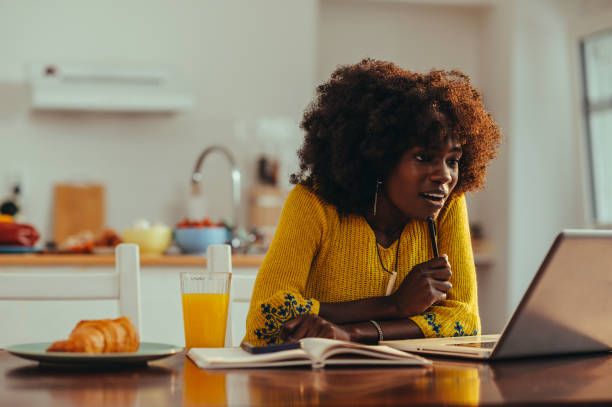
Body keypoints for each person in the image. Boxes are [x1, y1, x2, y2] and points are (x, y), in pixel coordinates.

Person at [244, 58, 502, 346]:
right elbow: (268, 315)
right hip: (315, 384)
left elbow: (465, 322)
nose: (444, 176)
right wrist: (393, 306)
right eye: (423, 157)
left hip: (409, 385)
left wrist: (352, 333)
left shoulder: (448, 205)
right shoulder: (314, 203)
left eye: (452, 161)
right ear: (379, 158)